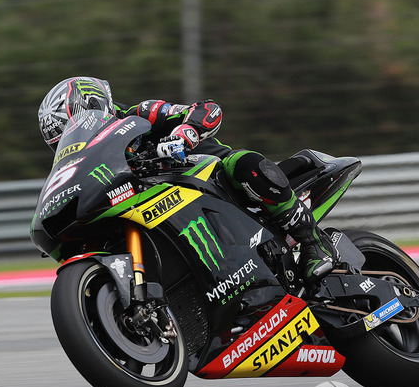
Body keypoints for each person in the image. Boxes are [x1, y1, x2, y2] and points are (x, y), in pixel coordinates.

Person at [37, 76, 337, 284]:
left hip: (212, 177)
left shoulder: (138, 115)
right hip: (155, 204)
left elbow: (208, 109)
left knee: (244, 164)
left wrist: (186, 132)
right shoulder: (93, 156)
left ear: (90, 103)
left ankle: (313, 243)